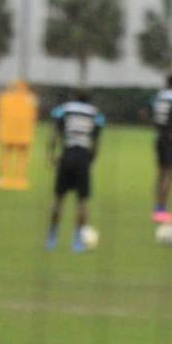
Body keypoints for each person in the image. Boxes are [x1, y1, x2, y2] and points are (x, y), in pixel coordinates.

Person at [45, 93, 105, 252]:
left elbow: (54, 134)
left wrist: (51, 155)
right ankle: (77, 241)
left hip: (67, 155)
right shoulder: (95, 114)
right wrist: (91, 160)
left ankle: (51, 238)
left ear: (74, 98)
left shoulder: (64, 110)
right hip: (82, 158)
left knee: (58, 198)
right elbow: (96, 141)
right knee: (82, 201)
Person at [149, 74, 172, 224]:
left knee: (161, 172)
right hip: (170, 138)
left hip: (159, 136)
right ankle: (161, 209)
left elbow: (147, 112)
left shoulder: (158, 97)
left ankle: (158, 206)